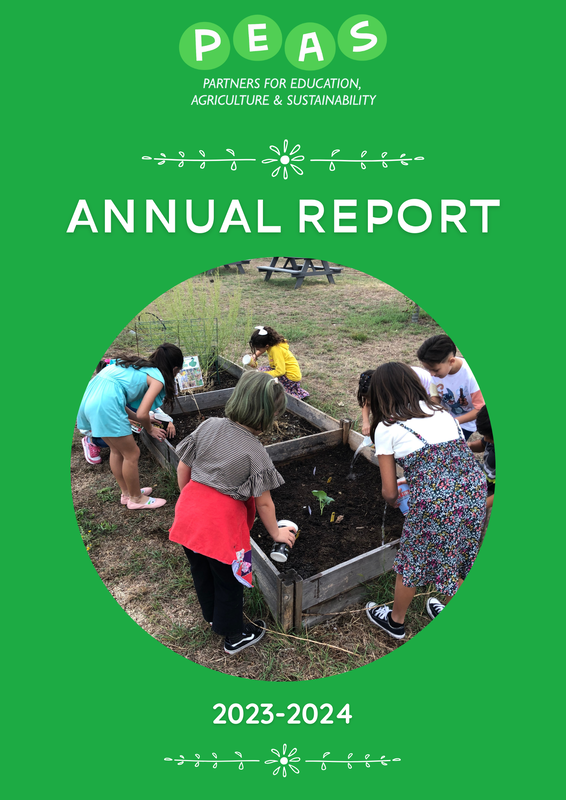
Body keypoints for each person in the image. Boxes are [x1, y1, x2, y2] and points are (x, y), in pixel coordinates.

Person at [169, 371, 296, 655]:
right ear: (266, 417)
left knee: (200, 569)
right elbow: (264, 503)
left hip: (189, 516)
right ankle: (234, 635)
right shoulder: (256, 452)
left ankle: (213, 615)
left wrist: (189, 501)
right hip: (222, 527)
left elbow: (183, 468)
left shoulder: (209, 425)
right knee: (230, 581)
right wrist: (276, 532)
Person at [364, 362, 486, 639]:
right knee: (462, 553)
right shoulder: (441, 412)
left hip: (435, 502)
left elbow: (389, 491)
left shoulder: (387, 426)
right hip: (473, 489)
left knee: (412, 560)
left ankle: (395, 621)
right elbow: (445, 461)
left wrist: (393, 500)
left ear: (381, 394)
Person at [77, 344, 183, 509]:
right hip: (106, 404)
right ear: (175, 368)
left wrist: (146, 420)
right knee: (132, 453)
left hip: (91, 399)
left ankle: (127, 493)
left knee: (117, 450)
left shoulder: (139, 367)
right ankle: (136, 499)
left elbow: (124, 406)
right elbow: (141, 413)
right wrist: (149, 428)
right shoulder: (158, 379)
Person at [417, 334, 484, 440]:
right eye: (427, 369)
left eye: (435, 370)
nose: (431, 374)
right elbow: (435, 396)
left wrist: (454, 421)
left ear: (451, 361)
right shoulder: (436, 372)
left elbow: (480, 409)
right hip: (445, 417)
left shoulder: (471, 376)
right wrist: (427, 412)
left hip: (465, 423)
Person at [357, 367, 440, 436]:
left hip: (428, 392)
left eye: (371, 398)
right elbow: (367, 402)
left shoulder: (401, 388)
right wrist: (366, 422)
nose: (369, 402)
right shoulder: (380, 381)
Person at [247, 325, 309, 400]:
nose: (257, 350)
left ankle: (278, 392)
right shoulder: (271, 344)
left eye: (258, 349)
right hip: (286, 372)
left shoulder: (275, 350)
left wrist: (263, 374)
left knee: (262, 375)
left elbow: (280, 371)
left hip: (290, 378)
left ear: (266, 346)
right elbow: (262, 350)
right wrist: (255, 356)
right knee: (262, 369)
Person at [469, 405, 495, 512]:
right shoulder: (490, 435)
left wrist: (479, 507)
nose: (485, 439)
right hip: (486, 472)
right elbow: (482, 444)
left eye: (489, 436)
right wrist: (468, 446)